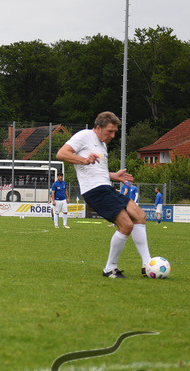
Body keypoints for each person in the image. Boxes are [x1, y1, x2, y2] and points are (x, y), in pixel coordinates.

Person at [56, 111, 153, 278]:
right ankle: (110, 268)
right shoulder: (85, 135)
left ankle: (147, 264)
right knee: (126, 225)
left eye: (115, 132)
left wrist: (113, 175)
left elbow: (96, 171)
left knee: (139, 215)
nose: (113, 135)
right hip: (95, 191)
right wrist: (84, 160)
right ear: (99, 128)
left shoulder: (102, 145)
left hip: (104, 187)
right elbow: (61, 154)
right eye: (110, 131)